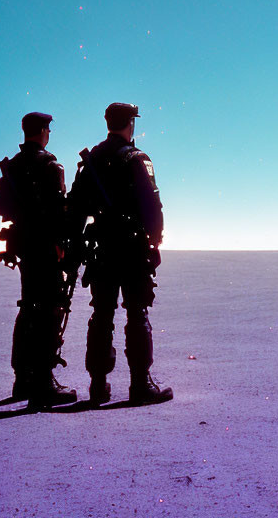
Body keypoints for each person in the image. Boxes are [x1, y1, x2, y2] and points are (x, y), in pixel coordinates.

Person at [69, 102, 173, 406]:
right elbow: (153, 205)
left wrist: (75, 246)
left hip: (101, 248)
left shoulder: (92, 161)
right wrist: (154, 241)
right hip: (131, 247)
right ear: (131, 123)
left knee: (101, 315)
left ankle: (97, 386)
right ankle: (140, 385)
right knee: (136, 312)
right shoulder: (136, 159)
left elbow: (75, 208)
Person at [0, 111, 77, 407]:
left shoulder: (13, 167)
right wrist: (61, 244)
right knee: (50, 309)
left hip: (24, 246)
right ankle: (43, 382)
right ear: (43, 131)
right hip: (45, 247)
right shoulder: (50, 165)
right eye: (48, 130)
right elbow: (58, 212)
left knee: (29, 307)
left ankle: (23, 379)